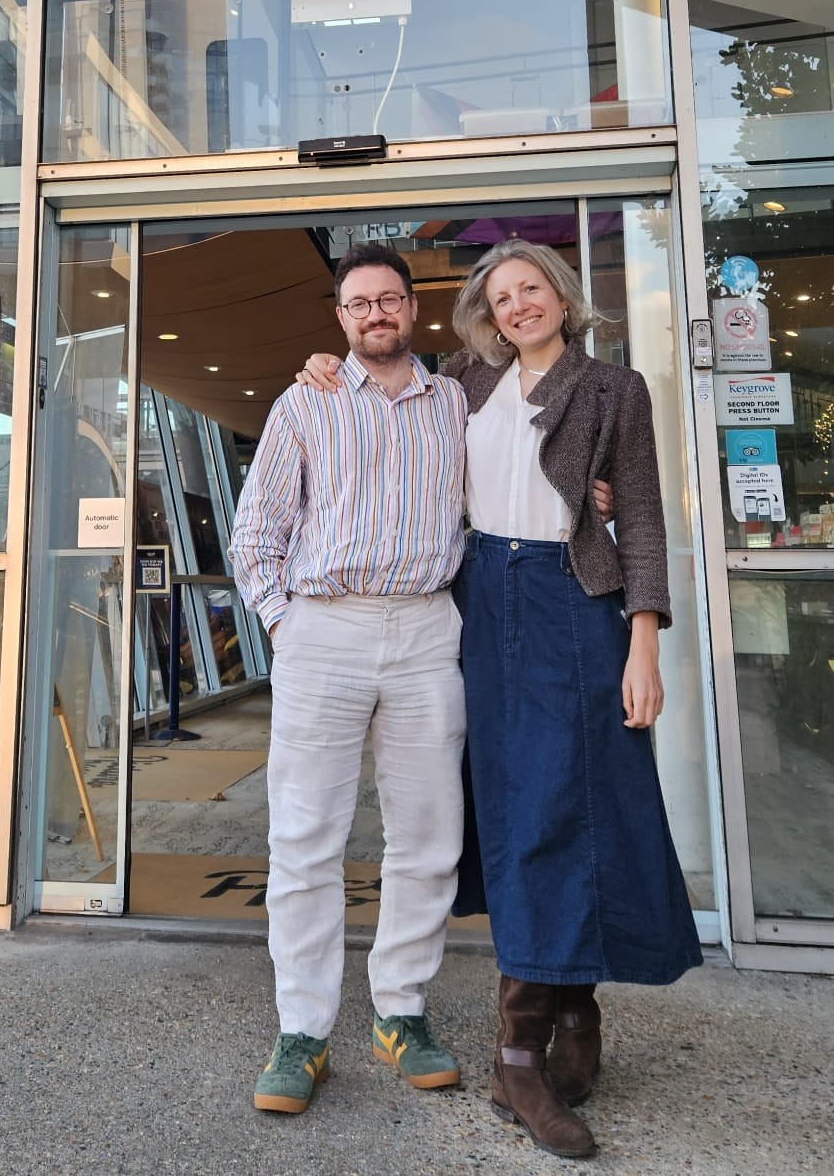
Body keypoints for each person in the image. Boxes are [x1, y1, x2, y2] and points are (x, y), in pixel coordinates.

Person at [300, 238, 702, 1160]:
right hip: (481, 600)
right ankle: (522, 1051)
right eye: (502, 295)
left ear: (562, 294)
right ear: (486, 314)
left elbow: (640, 513)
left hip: (575, 599)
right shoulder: (461, 382)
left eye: (532, 288)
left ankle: (569, 1009)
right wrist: (321, 362)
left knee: (583, 799)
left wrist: (645, 640)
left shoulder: (614, 388)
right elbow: (381, 388)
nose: (519, 305)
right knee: (520, 808)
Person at [229, 242, 469, 1116]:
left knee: (429, 833)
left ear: (413, 307)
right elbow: (256, 532)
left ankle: (401, 1010)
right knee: (304, 836)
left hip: (427, 624)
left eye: (390, 299)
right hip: (323, 625)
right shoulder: (307, 400)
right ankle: (302, 1030)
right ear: (340, 317)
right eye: (360, 303)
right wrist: (286, 624)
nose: (377, 313)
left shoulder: (457, 401)